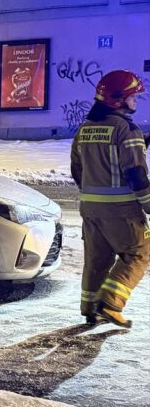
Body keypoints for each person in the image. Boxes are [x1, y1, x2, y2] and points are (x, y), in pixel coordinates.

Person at [70, 69, 150, 328]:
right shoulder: (127, 129)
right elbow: (135, 173)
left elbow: (78, 168)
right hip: (122, 210)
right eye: (132, 97)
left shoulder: (85, 129)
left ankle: (90, 308)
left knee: (97, 259)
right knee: (140, 252)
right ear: (118, 100)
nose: (136, 101)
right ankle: (111, 305)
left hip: (90, 210)